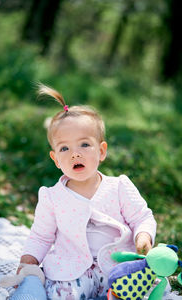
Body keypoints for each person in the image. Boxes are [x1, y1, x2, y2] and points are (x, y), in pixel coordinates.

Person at [15, 84, 157, 300]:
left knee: (132, 292)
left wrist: (143, 236)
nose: (75, 154)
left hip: (116, 269)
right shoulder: (52, 197)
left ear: (101, 151)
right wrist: (29, 259)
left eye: (84, 145)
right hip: (71, 271)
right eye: (65, 148)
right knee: (62, 295)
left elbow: (142, 217)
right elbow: (41, 236)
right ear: (55, 159)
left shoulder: (119, 187)